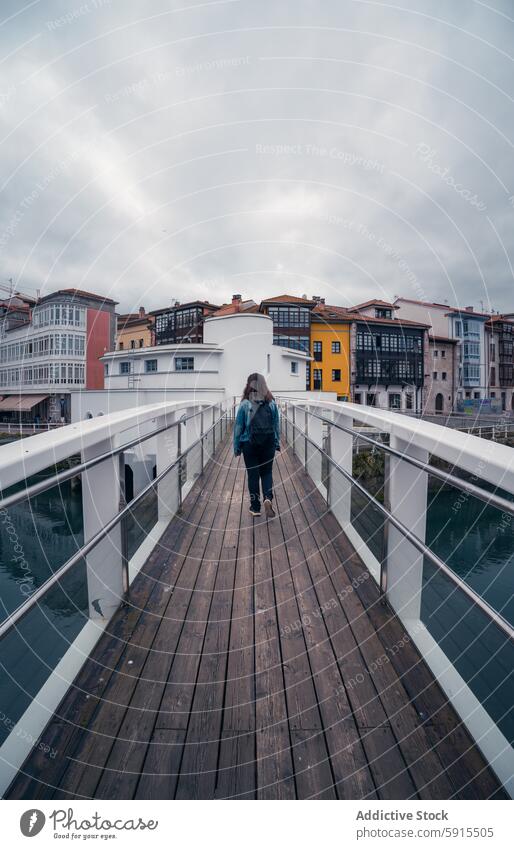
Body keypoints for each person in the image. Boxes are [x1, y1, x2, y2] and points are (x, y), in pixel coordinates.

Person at [233, 373, 281, 517]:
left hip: (249, 444)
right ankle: (268, 497)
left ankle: (255, 508)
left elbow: (238, 428)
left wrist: (237, 448)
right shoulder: (271, 403)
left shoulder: (245, 404)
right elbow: (276, 425)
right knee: (267, 472)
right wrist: (276, 443)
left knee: (253, 475)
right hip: (268, 443)